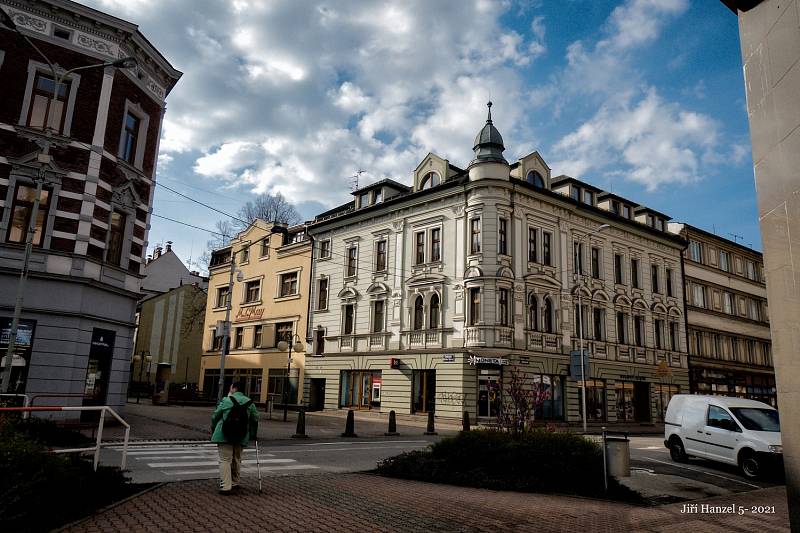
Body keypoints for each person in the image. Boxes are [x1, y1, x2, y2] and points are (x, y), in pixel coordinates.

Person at [211, 381, 259, 494]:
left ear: (234, 389)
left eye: (230, 388)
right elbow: (255, 419)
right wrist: (252, 434)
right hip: (241, 435)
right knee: (237, 458)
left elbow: (215, 416)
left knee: (225, 460)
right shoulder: (250, 403)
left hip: (224, 434)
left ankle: (225, 486)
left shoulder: (226, 400)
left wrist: (213, 428)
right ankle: (235, 482)